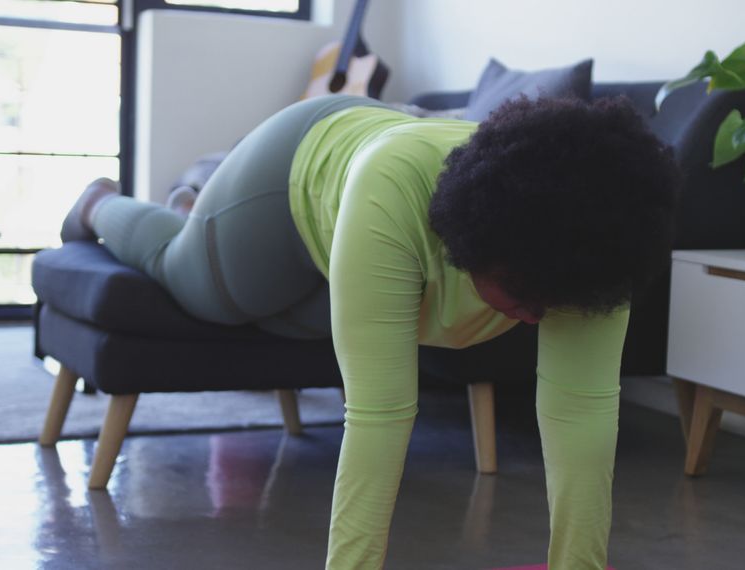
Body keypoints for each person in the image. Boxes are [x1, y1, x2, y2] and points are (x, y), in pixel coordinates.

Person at [61, 93, 678, 568]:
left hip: (369, 223)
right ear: (478, 248)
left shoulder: (595, 237)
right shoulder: (401, 193)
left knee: (295, 319)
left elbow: (583, 417)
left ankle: (197, 221)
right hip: (296, 176)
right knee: (197, 287)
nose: (539, 318)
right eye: (522, 296)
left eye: (558, 302)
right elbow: (380, 417)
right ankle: (108, 206)